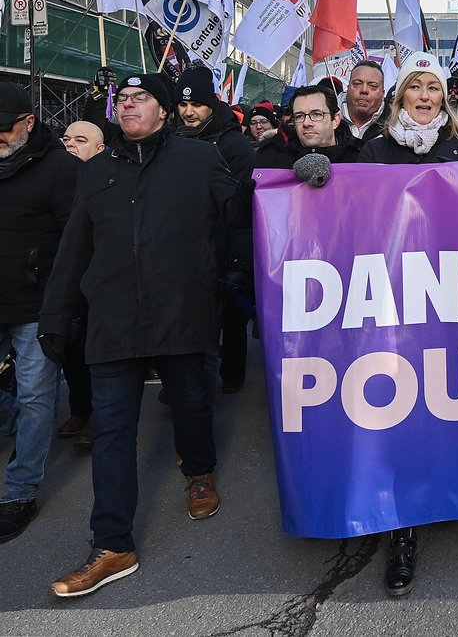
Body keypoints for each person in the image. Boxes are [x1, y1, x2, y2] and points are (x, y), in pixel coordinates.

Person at [38, 73, 251, 596]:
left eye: (142, 98)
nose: (129, 104)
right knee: (112, 432)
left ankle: (198, 471)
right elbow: (74, 247)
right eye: (124, 98)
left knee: (191, 404)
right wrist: (55, 315)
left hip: (181, 314)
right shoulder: (97, 170)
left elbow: (240, 213)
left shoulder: (199, 160)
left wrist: (287, 180)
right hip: (112, 321)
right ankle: (112, 544)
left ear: (165, 111)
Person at [357, 55, 458, 595]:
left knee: (452, 398)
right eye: (416, 87)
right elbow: (352, 207)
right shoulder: (377, 149)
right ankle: (402, 529)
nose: (426, 96)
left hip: (454, 294)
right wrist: (319, 174)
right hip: (396, 295)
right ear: (401, 96)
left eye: (434, 87)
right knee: (401, 405)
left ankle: (451, 490)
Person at [0, 85, 79, 544]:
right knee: (23, 402)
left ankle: (20, 492)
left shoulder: (61, 169)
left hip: (36, 304)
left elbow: (75, 238)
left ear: (29, 123)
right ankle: (12, 422)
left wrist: (61, 301)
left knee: (36, 396)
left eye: (3, 128)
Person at [174, 68, 256, 395]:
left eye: (196, 105)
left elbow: (242, 208)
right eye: (183, 105)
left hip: (225, 248)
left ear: (212, 104)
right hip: (186, 250)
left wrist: (239, 261)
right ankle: (189, 384)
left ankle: (232, 373)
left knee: (232, 319)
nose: (188, 112)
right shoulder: (172, 139)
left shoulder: (235, 145)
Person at [56, 121, 106, 448]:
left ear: (99, 149)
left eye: (80, 139)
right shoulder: (56, 178)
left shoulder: (106, 180)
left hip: (98, 278)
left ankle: (96, 417)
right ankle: (80, 409)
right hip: (63, 275)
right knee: (70, 349)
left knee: (95, 350)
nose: (70, 144)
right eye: (66, 138)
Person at [255, 85, 361, 169]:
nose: (306, 123)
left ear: (335, 120)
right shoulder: (271, 157)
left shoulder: (359, 157)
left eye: (316, 114)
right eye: (299, 116)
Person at [341, 60, 387, 152]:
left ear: (382, 94)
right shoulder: (327, 121)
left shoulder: (395, 127)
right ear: (347, 88)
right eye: (357, 84)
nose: (364, 90)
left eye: (372, 86)